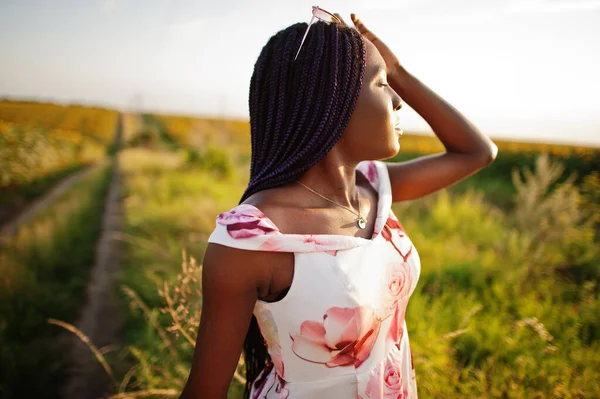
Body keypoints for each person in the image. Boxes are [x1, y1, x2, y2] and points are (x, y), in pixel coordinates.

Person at [180, 7, 497, 399]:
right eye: (382, 84)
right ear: (332, 97)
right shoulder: (253, 240)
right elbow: (204, 392)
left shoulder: (372, 188)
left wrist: (397, 69)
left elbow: (477, 152)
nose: (398, 100)